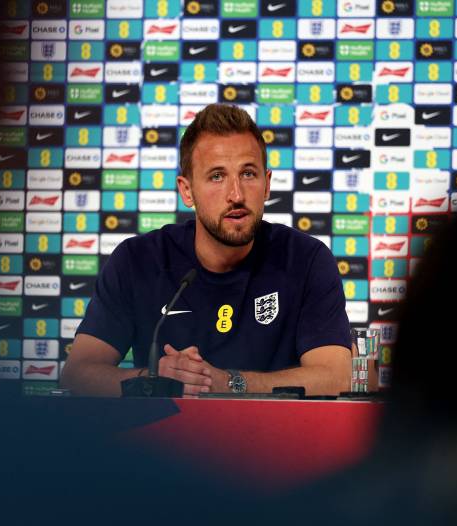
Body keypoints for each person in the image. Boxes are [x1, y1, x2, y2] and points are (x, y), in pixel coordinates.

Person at [61, 103, 352, 398]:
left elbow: (337, 376)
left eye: (249, 174)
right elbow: (77, 375)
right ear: (187, 191)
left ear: (267, 185)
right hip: (164, 439)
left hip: (273, 440)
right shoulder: (137, 260)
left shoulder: (306, 259)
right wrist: (153, 379)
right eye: (217, 176)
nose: (236, 195)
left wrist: (229, 383)